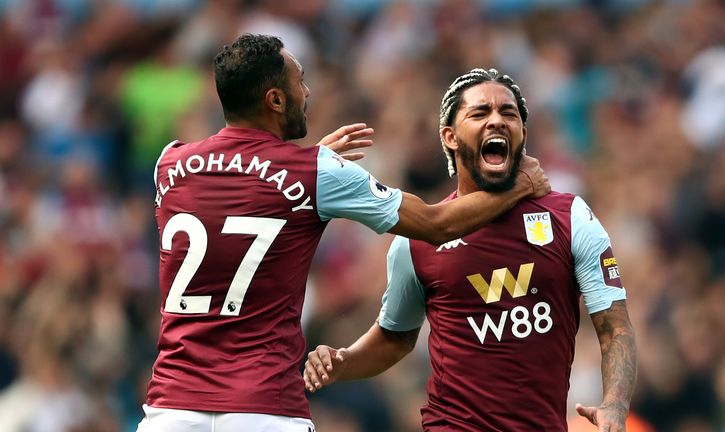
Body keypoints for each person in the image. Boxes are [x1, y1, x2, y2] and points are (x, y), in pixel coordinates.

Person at [137, 35, 549, 432]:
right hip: (264, 409)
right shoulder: (316, 173)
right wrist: (521, 185)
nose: (309, 92)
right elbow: (438, 225)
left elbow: (243, 191)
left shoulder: (169, 164)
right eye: (300, 82)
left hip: (171, 410)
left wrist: (309, 163)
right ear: (275, 100)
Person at [304, 68, 637, 431]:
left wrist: (615, 404)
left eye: (508, 113)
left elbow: (614, 327)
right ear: (449, 137)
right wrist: (345, 360)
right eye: (480, 113)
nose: (496, 120)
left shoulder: (570, 218)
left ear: (523, 134)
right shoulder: (414, 244)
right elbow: (395, 337)